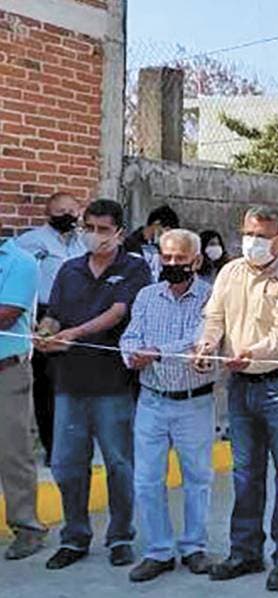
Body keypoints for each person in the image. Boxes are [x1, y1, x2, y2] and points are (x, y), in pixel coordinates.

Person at [195, 206, 278, 592]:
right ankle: (244, 552)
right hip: (240, 385)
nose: (253, 242)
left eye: (262, 236)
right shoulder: (230, 272)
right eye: (249, 233)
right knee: (245, 473)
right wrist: (206, 345)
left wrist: (251, 352)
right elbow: (214, 317)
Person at [37, 199, 152, 570]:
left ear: (119, 232)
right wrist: (46, 332)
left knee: (119, 463)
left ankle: (120, 537)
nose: (95, 236)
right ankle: (74, 537)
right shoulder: (69, 270)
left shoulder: (134, 268)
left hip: (113, 385)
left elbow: (117, 313)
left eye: (103, 230)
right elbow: (54, 314)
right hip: (69, 383)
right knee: (66, 464)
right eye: (89, 228)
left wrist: (74, 333)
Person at [120, 229, 216, 582]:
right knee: (147, 480)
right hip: (152, 399)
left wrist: (157, 352)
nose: (172, 263)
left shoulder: (211, 298)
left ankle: (194, 547)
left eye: (180, 258)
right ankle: (158, 551)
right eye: (167, 257)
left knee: (198, 478)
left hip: (194, 401)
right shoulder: (147, 295)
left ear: (196, 260)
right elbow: (131, 335)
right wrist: (132, 355)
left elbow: (198, 341)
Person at [16, 192, 86, 466]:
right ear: (48, 214)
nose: (66, 216)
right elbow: (15, 272)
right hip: (45, 314)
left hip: (79, 316)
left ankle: (75, 442)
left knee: (76, 382)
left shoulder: (84, 243)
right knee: (47, 385)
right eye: (60, 211)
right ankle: (53, 447)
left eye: (71, 210)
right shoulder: (32, 241)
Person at [0, 236, 48, 560]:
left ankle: (27, 528)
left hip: (7, 371)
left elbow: (6, 314)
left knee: (13, 451)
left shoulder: (20, 262)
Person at [124, 205, 180, 282]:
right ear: (156, 224)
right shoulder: (131, 244)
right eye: (166, 230)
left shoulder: (162, 247)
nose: (166, 236)